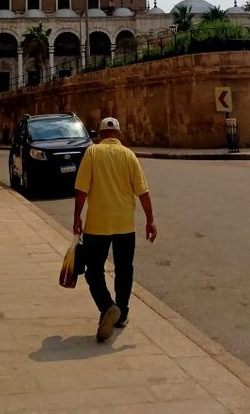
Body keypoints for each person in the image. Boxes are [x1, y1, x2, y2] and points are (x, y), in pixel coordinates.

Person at [73, 116, 157, 342]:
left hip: (97, 224)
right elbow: (143, 191)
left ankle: (107, 306)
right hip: (124, 224)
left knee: (93, 271)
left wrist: (77, 217)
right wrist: (150, 220)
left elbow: (81, 189)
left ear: (100, 135)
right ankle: (121, 313)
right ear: (119, 135)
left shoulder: (92, 153)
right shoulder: (129, 155)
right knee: (124, 269)